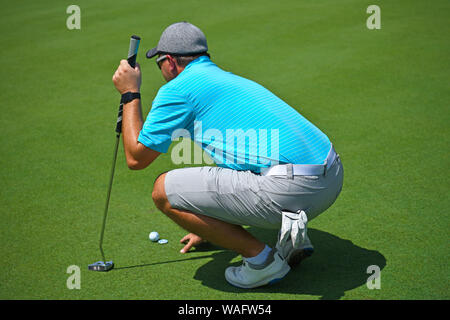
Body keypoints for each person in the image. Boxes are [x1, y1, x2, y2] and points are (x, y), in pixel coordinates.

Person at [112, 21, 343, 288]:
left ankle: (263, 261)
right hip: (331, 176)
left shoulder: (177, 90)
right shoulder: (225, 78)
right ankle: (289, 236)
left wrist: (130, 93)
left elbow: (136, 158)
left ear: (171, 62)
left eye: (159, 62)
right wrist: (207, 224)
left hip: (293, 188)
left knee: (162, 190)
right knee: (237, 168)